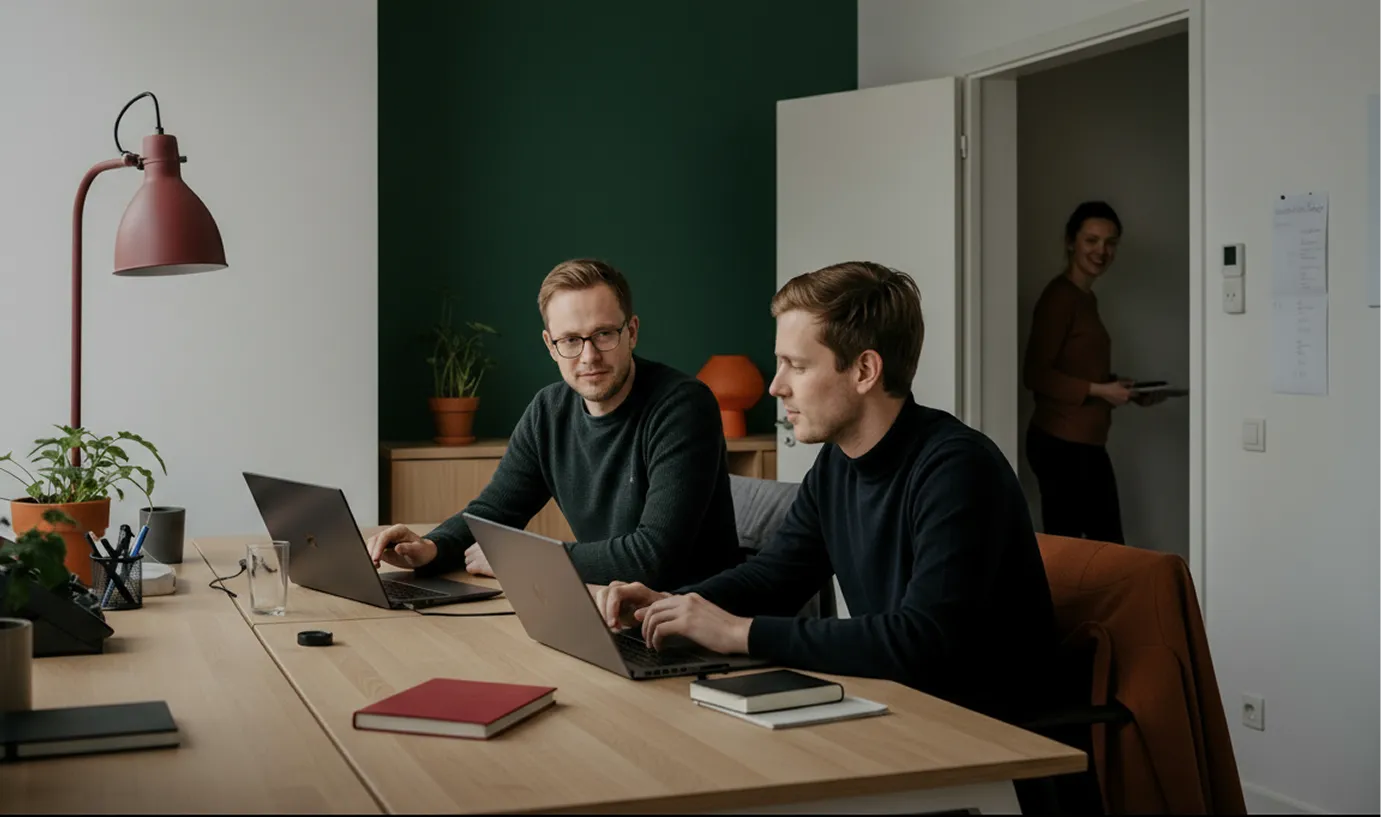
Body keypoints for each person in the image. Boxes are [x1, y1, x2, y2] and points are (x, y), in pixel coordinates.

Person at [594, 261, 1057, 725]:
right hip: (899, 711)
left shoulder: (957, 469)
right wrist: (669, 605)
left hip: (985, 739)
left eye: (796, 365)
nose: (777, 386)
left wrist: (739, 633)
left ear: (865, 370)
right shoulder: (838, 465)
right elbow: (774, 577)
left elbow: (923, 641)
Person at [366, 258, 742, 589]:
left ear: (632, 332)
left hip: (688, 618)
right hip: (605, 604)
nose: (589, 356)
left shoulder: (683, 406)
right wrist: (431, 547)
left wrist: (523, 561)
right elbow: (496, 512)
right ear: (550, 345)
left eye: (604, 334)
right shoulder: (549, 410)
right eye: (570, 340)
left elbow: (653, 558)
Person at [1022, 201, 1164, 545]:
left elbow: (1076, 369)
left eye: (1110, 242)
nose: (1102, 251)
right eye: (1092, 240)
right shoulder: (1059, 298)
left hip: (1084, 442)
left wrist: (1120, 389)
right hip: (1060, 443)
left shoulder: (1086, 299)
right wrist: (1102, 391)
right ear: (1072, 242)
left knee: (1103, 549)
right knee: (1080, 551)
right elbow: (1036, 375)